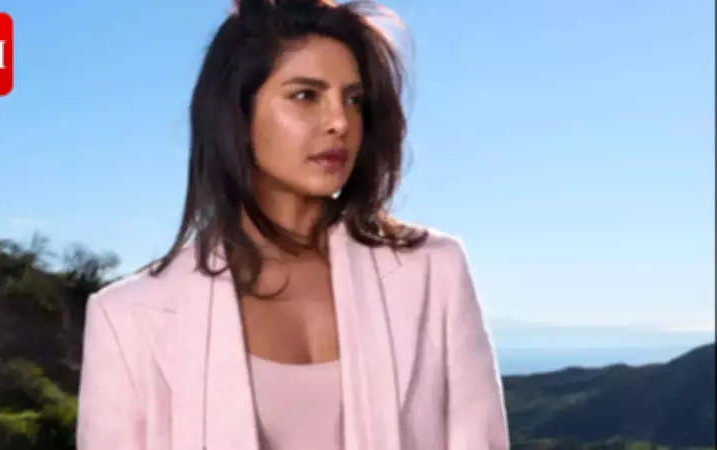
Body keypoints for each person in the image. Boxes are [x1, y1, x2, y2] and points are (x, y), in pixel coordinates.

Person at [75, 0, 509, 449]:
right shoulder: (129, 317)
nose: (340, 122)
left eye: (354, 100)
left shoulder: (435, 270)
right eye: (305, 95)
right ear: (237, 112)